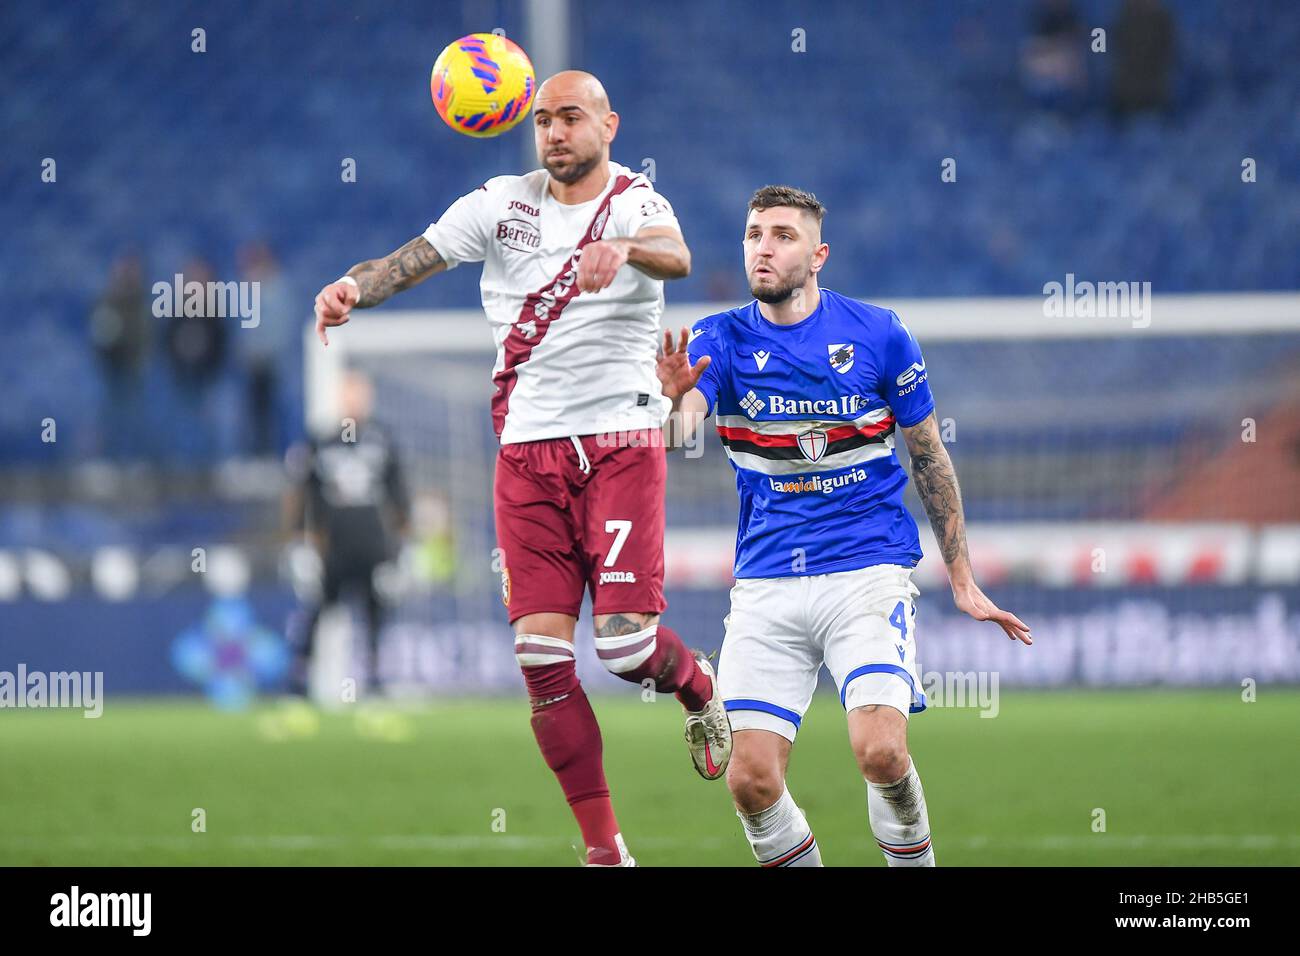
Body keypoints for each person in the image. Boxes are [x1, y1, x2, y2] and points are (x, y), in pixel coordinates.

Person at [311, 71, 732, 867]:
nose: (555, 133)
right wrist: (349, 289)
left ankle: (697, 684)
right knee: (540, 661)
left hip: (621, 444)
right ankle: (605, 849)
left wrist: (621, 247)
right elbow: (409, 260)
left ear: (609, 123)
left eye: (571, 118)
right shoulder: (498, 204)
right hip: (526, 456)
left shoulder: (638, 205)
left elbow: (677, 258)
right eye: (543, 121)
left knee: (620, 651)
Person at [656, 185, 1032, 867]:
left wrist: (963, 577)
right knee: (750, 780)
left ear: (818, 254)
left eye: (782, 235)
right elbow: (681, 430)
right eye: (753, 234)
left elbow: (928, 457)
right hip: (767, 582)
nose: (763, 247)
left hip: (865, 570)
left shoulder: (879, 333)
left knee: (881, 752)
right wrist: (672, 401)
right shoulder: (719, 339)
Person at [284, 370, 409, 696]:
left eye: (360, 394)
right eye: (349, 394)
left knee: (375, 613)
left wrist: (402, 549)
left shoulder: (382, 439)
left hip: (372, 544)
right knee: (317, 610)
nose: (355, 401)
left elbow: (398, 495)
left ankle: (375, 680)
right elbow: (305, 495)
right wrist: (300, 543)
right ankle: (299, 679)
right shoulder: (321, 441)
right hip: (333, 546)